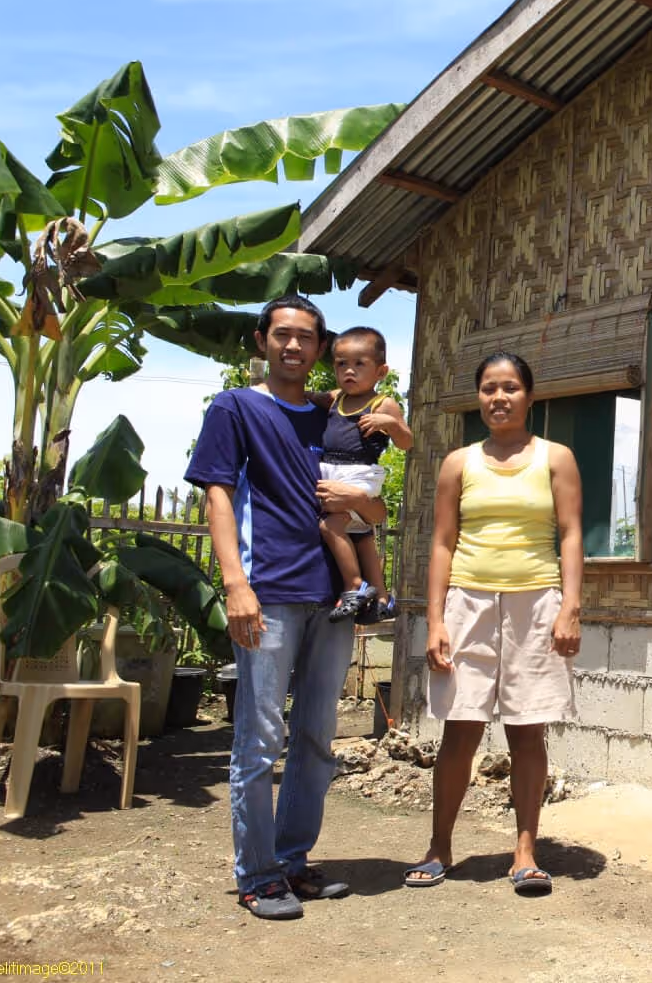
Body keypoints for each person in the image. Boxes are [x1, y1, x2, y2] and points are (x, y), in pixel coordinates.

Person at [186, 294, 387, 921]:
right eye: (283, 335)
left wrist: (365, 509)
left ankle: (293, 861)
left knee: (316, 736)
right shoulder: (236, 407)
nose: (294, 346)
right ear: (261, 340)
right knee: (260, 736)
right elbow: (218, 495)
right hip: (267, 590)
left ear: (321, 349)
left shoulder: (334, 417)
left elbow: (372, 511)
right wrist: (235, 583)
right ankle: (256, 874)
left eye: (306, 337)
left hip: (330, 596)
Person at [402, 352, 583, 895]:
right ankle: (440, 847)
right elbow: (441, 542)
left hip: (536, 605)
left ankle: (525, 852)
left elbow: (572, 534)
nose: (498, 398)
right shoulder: (458, 462)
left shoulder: (557, 458)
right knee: (461, 730)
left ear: (529, 395)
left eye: (509, 388)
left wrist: (570, 606)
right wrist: (435, 619)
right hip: (469, 605)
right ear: (478, 397)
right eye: (487, 389)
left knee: (529, 731)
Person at [316, 326, 411, 621]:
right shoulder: (336, 398)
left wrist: (391, 423)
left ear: (381, 371)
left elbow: (407, 442)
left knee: (331, 524)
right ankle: (382, 596)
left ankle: (354, 585)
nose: (349, 371)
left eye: (359, 364)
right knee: (360, 534)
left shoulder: (382, 403)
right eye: (342, 363)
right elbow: (308, 397)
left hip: (359, 472)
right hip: (333, 468)